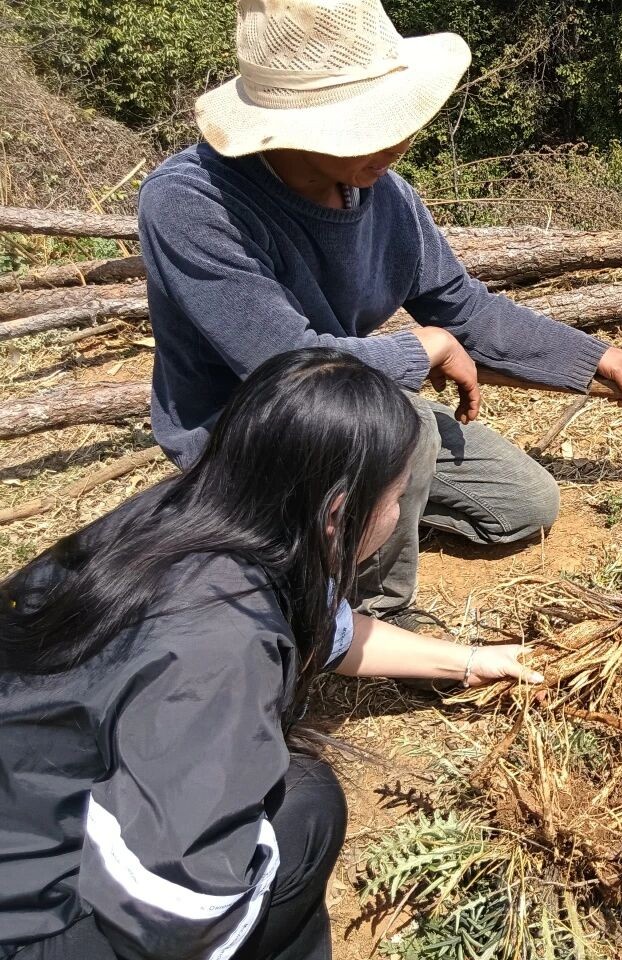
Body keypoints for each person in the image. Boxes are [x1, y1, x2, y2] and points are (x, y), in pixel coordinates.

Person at [0, 349, 542, 960]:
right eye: (396, 498)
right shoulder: (220, 646)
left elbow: (328, 631)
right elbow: (171, 914)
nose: (399, 514)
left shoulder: (193, 514)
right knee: (307, 810)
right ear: (339, 513)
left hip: (26, 796)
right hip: (31, 918)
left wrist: (468, 660)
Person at [138, 0, 622, 627]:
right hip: (241, 427)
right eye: (371, 126)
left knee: (524, 503)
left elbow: (462, 308)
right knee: (402, 418)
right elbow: (287, 366)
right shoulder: (192, 201)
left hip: (349, 406)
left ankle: (347, 512)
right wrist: (420, 350)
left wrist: (589, 354)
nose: (400, 142)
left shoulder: (385, 196)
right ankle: (368, 611)